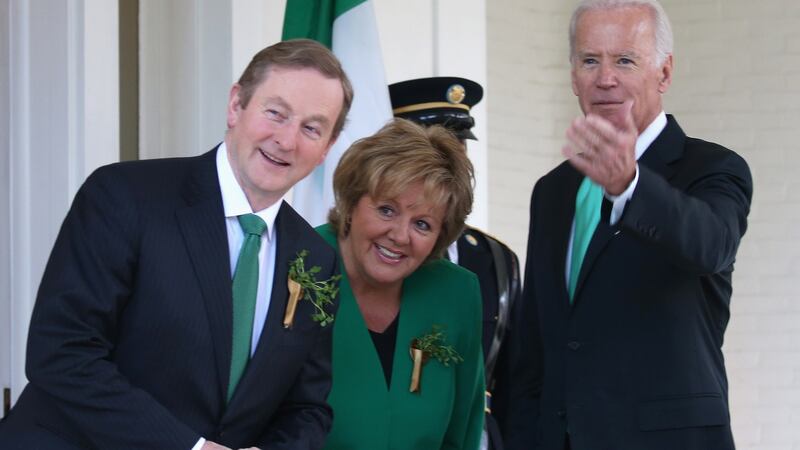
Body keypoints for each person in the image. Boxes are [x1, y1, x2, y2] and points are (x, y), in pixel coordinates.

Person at [0, 39, 352, 450]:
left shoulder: (317, 259)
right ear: (236, 105)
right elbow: (61, 354)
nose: (288, 140)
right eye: (276, 113)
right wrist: (191, 447)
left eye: (311, 128)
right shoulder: (124, 196)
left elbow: (307, 406)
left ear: (327, 147)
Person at [506, 1, 752, 449]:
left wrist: (629, 186)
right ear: (572, 75)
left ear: (664, 73)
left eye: (624, 60)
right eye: (589, 60)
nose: (605, 78)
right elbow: (536, 345)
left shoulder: (711, 168)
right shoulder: (553, 191)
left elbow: (711, 245)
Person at [317, 118, 485, 449]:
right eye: (387, 210)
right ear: (352, 203)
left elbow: (462, 432)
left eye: (422, 224)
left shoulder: (456, 294)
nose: (399, 236)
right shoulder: (296, 266)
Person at [389, 77, 521, 450]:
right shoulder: (374, 249)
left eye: (458, 145)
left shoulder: (495, 259)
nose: (452, 160)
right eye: (435, 146)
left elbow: (515, 382)